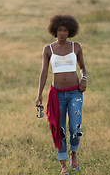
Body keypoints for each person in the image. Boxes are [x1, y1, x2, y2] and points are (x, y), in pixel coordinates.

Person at [36, 14, 87, 175]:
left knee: (75, 127)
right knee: (60, 130)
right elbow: (44, 73)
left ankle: (74, 153)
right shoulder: (48, 49)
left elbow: (83, 67)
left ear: (70, 31)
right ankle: (63, 165)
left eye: (65, 30)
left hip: (75, 93)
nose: (62, 33)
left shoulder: (76, 47)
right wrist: (39, 95)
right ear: (54, 31)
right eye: (59, 30)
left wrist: (84, 78)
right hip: (56, 94)